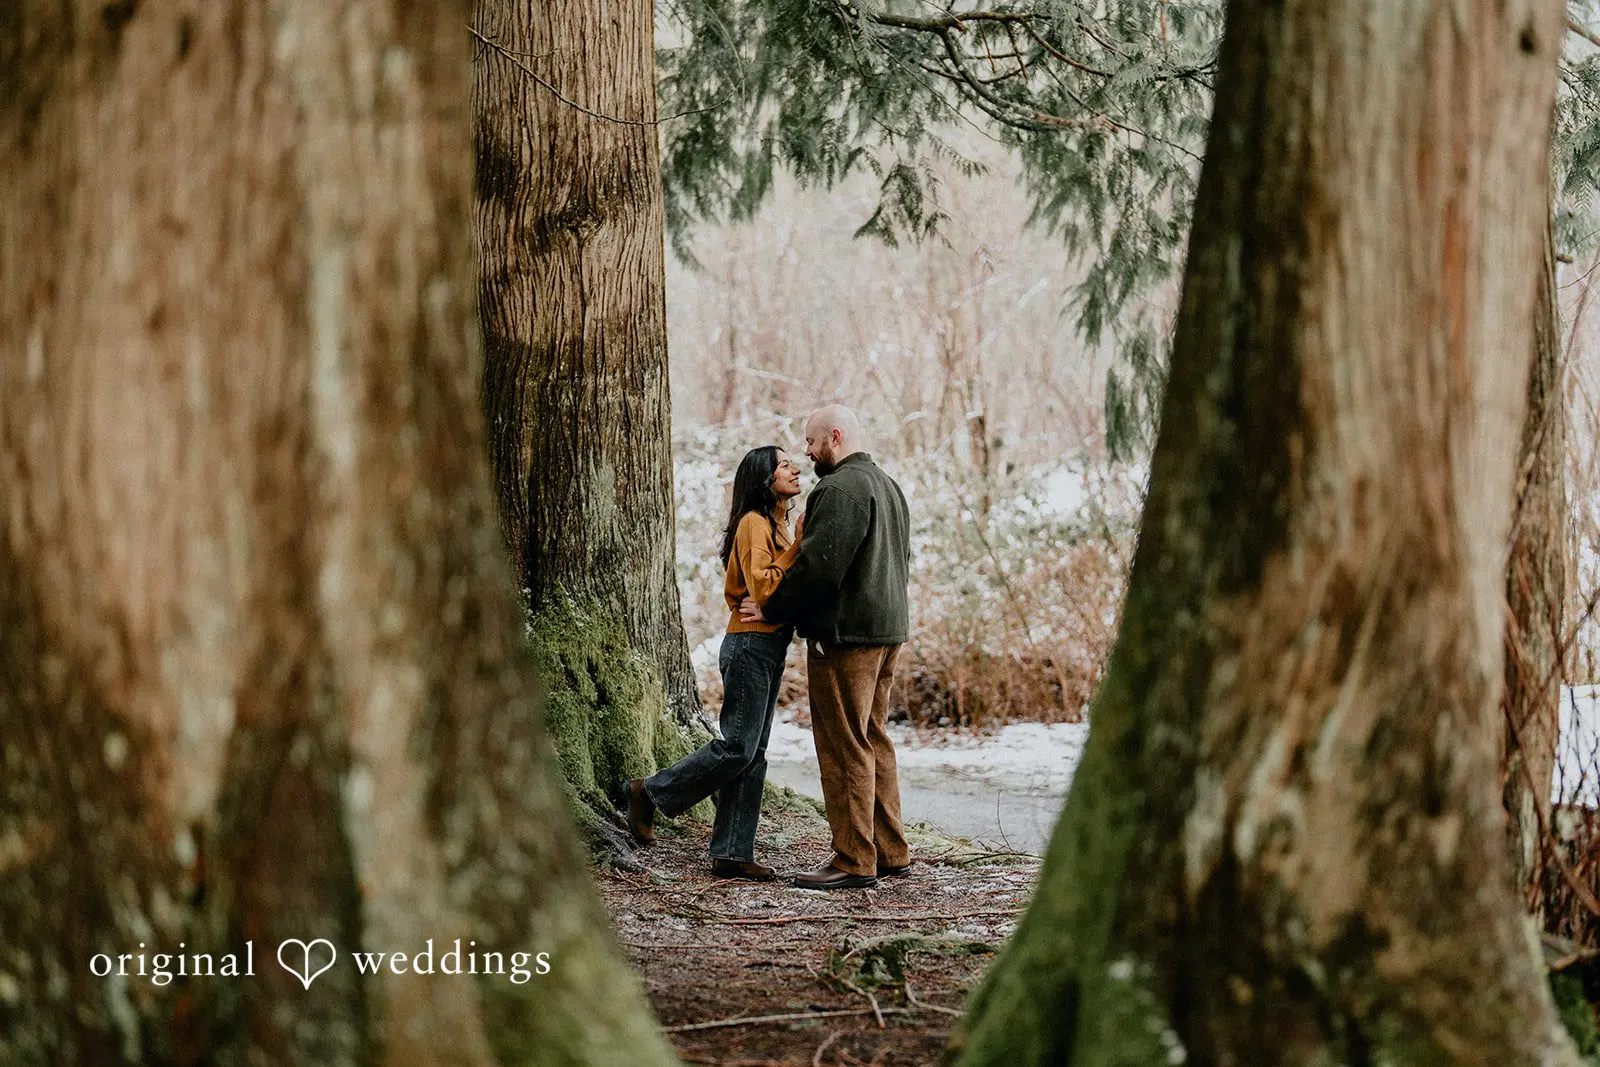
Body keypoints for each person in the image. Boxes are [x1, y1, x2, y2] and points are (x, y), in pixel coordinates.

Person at [612, 445, 803, 881]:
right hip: (749, 645)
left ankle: (732, 852)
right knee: (738, 746)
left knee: (753, 755)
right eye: (784, 465)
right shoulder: (755, 523)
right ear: (763, 479)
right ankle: (647, 792)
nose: (794, 469)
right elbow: (765, 584)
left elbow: (775, 592)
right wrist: (799, 549)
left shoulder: (776, 525)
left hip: (768, 646)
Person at [741, 405, 912, 890]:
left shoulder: (838, 490)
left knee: (844, 745)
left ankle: (854, 859)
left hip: (846, 636)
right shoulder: (887, 485)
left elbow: (818, 570)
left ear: (834, 438)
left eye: (812, 442)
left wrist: (773, 609)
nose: (808, 452)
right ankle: (891, 850)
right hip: (887, 630)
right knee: (874, 737)